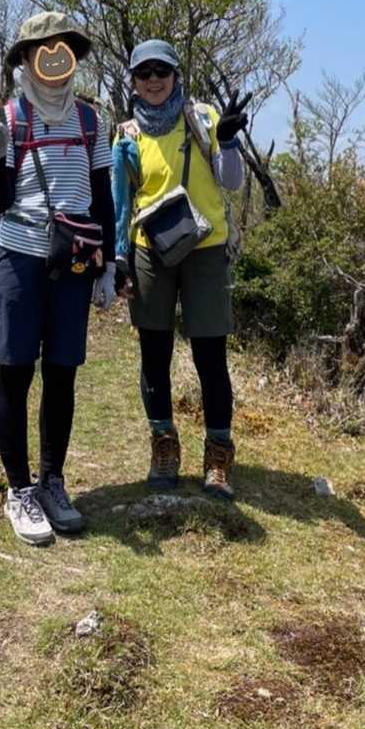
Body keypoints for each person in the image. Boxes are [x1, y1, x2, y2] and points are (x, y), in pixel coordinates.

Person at [0, 11, 115, 546]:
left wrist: (109, 265)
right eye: (44, 48)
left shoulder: (90, 121)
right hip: (20, 255)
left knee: (62, 372)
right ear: (26, 59)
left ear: (72, 58)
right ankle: (19, 490)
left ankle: (52, 482)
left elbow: (103, 198)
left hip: (73, 262)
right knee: (15, 371)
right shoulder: (11, 118)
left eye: (64, 48)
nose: (55, 58)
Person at [111, 40, 250, 499]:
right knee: (154, 353)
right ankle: (164, 446)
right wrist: (119, 259)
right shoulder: (127, 134)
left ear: (176, 75)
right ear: (133, 81)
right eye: (144, 72)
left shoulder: (203, 118)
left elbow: (231, 181)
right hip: (149, 250)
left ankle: (218, 455)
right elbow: (121, 202)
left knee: (210, 355)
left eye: (162, 71)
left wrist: (228, 140)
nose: (154, 80)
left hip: (206, 248)